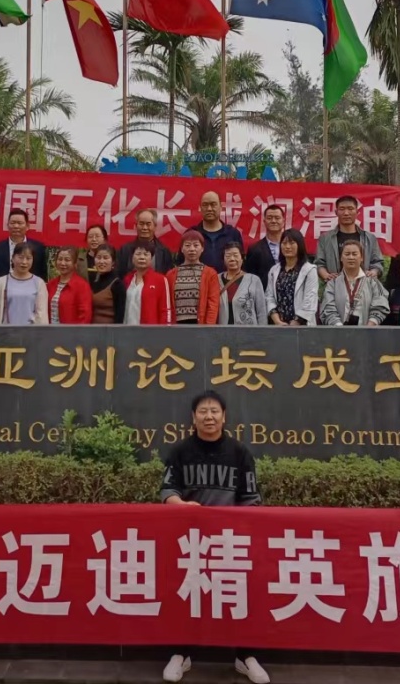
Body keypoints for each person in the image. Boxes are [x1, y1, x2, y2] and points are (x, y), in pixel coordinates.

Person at [159, 391, 268, 684]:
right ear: (193, 417)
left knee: (238, 597)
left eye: (215, 411)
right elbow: (168, 491)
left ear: (224, 416)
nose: (209, 416)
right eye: (203, 411)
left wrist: (236, 524)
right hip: (190, 539)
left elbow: (251, 499)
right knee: (186, 595)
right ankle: (181, 654)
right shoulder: (180, 451)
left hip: (230, 540)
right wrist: (182, 506)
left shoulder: (239, 453)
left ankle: (245, 656)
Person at [315, 194, 385, 282]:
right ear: (336, 212)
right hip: (334, 285)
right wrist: (326, 275)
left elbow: (378, 262)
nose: (346, 213)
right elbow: (319, 263)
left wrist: (373, 272)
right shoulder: (325, 238)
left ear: (357, 212)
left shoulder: (369, 238)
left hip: (364, 285)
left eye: (350, 209)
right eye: (342, 209)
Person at [318, 240, 389, 326]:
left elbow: (380, 304)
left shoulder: (371, 281)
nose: (351, 257)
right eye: (347, 254)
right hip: (338, 331)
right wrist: (339, 327)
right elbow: (328, 308)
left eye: (354, 254)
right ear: (341, 258)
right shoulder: (333, 283)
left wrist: (370, 325)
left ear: (361, 257)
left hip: (367, 331)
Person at [265, 228, 318, 326]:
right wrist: (277, 321)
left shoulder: (309, 270)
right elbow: (269, 297)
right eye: (284, 243)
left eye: (292, 243)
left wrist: (296, 322)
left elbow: (310, 300)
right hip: (279, 326)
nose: (287, 246)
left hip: (302, 326)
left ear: (299, 245)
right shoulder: (274, 270)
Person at [167, 229, 221, 325]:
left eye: (196, 245)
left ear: (202, 248)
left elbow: (213, 304)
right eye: (187, 245)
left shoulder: (210, 274)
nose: (192, 249)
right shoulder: (171, 274)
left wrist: (209, 327)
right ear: (182, 249)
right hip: (176, 325)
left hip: (200, 325)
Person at [0, 242, 49, 324]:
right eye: (20, 257)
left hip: (31, 331)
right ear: (12, 258)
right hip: (6, 331)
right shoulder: (1, 282)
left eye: (28, 258)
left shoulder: (39, 283)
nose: (24, 262)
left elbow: (42, 315)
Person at [191, 191, 244, 274]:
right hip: (199, 281)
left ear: (221, 207)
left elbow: (241, 263)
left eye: (213, 204)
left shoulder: (233, 234)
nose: (209, 209)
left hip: (228, 280)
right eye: (205, 205)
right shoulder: (192, 234)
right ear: (200, 208)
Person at [0, 208, 48, 279]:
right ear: (7, 225)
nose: (16, 226)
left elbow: (42, 275)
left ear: (27, 226)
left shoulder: (38, 248)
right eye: (13, 223)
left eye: (20, 223)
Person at [122, 244, 173, 325]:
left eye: (146, 254)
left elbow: (165, 310)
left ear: (151, 258)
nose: (142, 257)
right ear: (132, 258)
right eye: (138, 254)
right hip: (127, 328)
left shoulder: (160, 280)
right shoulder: (127, 279)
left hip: (150, 330)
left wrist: (165, 330)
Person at [219, 243, 267, 325]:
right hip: (222, 330)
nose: (232, 259)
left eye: (235, 255)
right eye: (228, 256)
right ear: (223, 259)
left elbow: (261, 311)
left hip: (248, 331)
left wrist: (263, 331)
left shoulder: (253, 280)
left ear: (242, 258)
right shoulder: (216, 279)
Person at [117, 209, 176, 277]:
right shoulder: (125, 249)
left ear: (155, 226)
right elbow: (120, 275)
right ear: (136, 226)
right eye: (141, 224)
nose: (144, 228)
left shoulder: (164, 251)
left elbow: (168, 276)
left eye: (148, 224)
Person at [48, 247, 92, 324]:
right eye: (60, 259)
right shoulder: (51, 284)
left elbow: (85, 316)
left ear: (75, 263)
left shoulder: (82, 286)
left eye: (67, 260)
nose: (62, 263)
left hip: (71, 331)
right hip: (50, 330)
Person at [244, 203, 286, 284]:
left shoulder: (292, 246)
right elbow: (250, 278)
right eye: (269, 218)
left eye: (277, 218)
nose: (273, 221)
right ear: (264, 221)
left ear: (283, 221)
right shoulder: (254, 249)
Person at [87, 244, 126, 324]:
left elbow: (120, 316)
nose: (101, 262)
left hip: (109, 330)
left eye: (105, 258)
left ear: (113, 262)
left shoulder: (117, 285)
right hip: (92, 328)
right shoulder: (94, 281)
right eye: (98, 258)